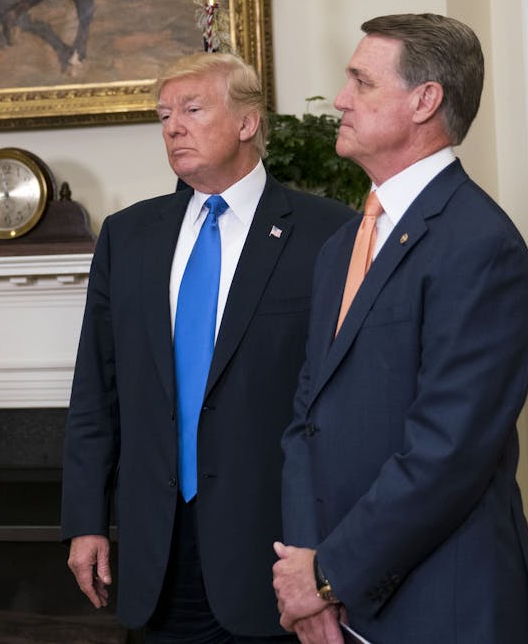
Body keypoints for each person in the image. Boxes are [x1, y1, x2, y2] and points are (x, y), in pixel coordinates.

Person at [62, 52, 355, 642]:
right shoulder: (127, 236)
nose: (173, 126)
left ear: (247, 122)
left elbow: (345, 407)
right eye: (164, 114)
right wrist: (86, 519)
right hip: (158, 552)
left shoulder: (329, 234)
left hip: (277, 551)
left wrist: (331, 554)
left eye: (193, 109)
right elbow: (97, 389)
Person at [273, 14, 528, 644]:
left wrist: (328, 576)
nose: (340, 99)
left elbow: (446, 456)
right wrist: (305, 578)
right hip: (337, 604)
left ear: (425, 101)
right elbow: (306, 419)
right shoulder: (342, 245)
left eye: (361, 82)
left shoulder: (483, 246)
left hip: (442, 602)